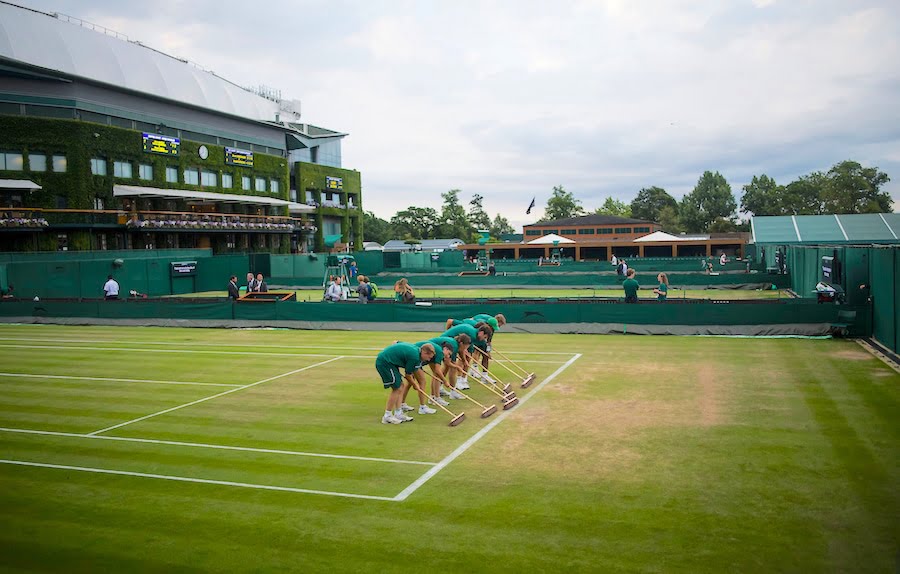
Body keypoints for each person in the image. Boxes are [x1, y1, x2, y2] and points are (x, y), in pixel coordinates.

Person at [375, 342, 435, 424]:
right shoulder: (414, 357)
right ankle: (387, 416)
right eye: (428, 357)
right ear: (424, 352)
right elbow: (408, 375)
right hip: (385, 362)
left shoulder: (417, 354)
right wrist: (415, 385)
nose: (428, 360)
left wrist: (415, 384)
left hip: (392, 363)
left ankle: (398, 413)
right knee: (397, 388)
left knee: (401, 386)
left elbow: (413, 371)